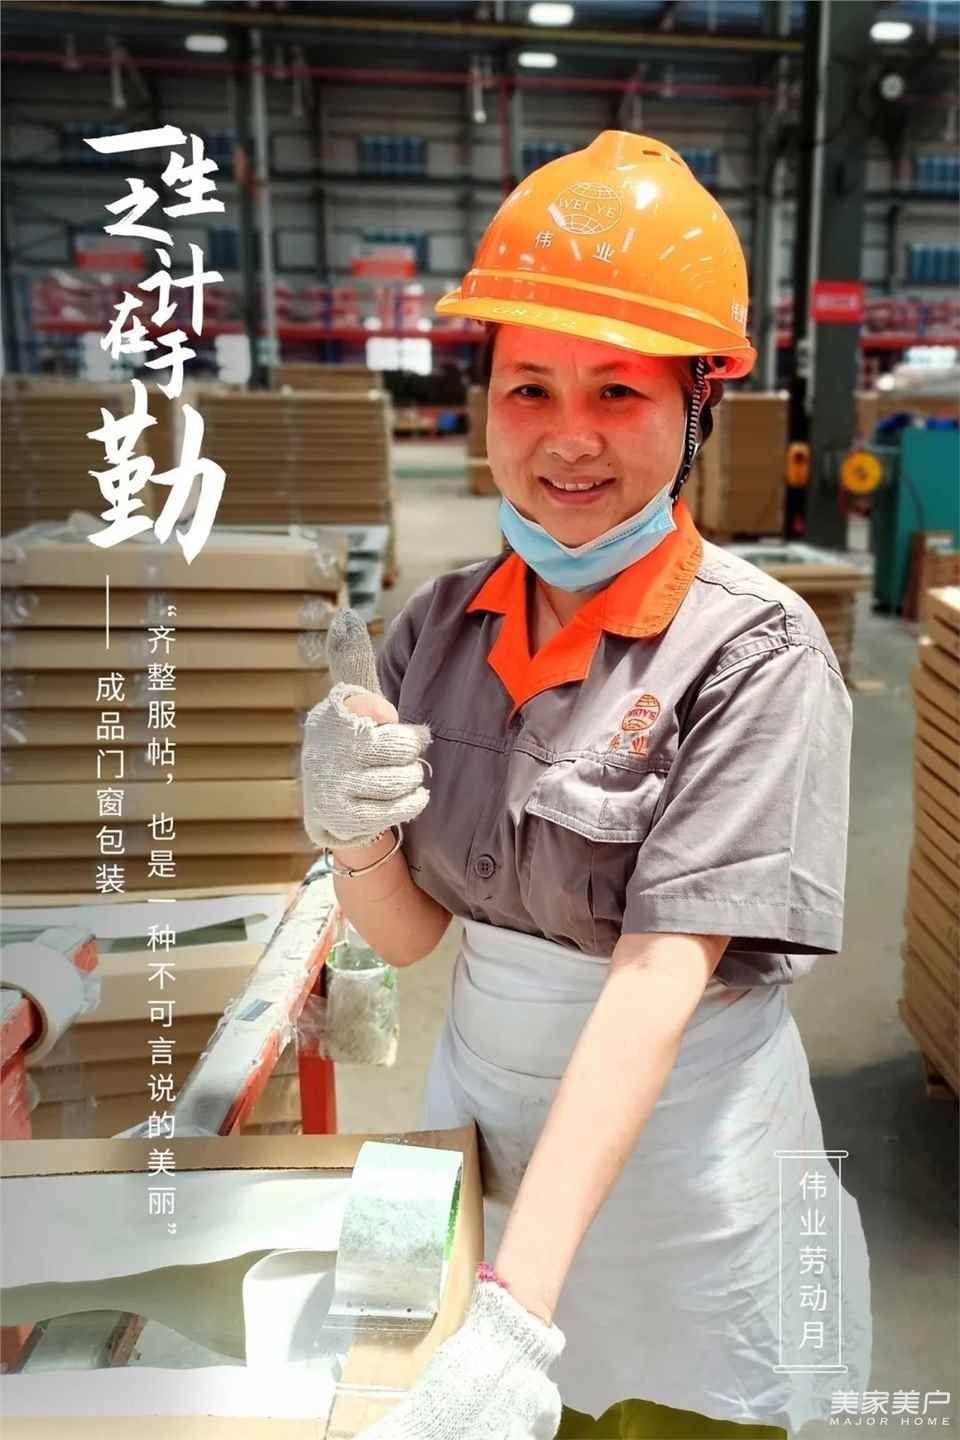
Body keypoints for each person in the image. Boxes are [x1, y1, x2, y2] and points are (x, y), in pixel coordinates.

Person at [304, 131, 872, 1440]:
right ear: (484, 401)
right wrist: (350, 835)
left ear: (695, 407)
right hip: (481, 1125)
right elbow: (413, 937)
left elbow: (657, 979)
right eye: (529, 389)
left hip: (682, 1168)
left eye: (618, 391)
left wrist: (514, 1311)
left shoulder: (754, 652)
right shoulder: (437, 627)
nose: (569, 439)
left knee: (684, 1417)